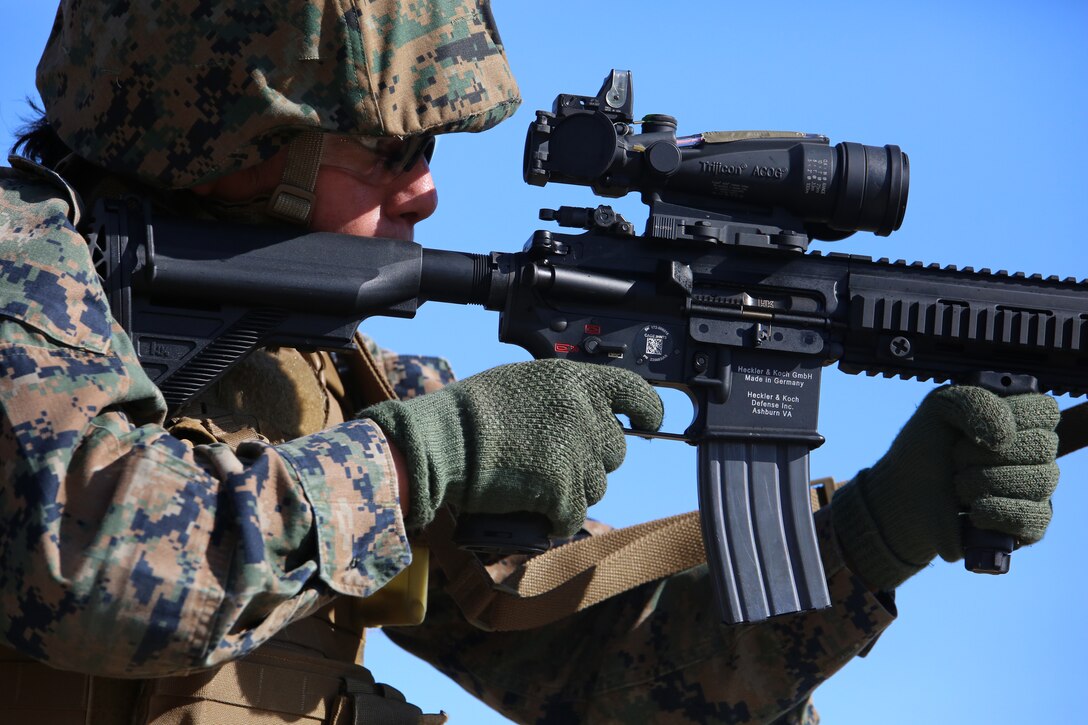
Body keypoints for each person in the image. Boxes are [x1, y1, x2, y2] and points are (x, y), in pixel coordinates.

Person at [0, 1, 1061, 723]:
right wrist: (427, 453)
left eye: (429, 152)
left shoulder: (331, 379)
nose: (425, 192)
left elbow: (609, 675)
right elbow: (86, 567)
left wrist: (876, 534)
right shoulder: (24, 263)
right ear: (233, 136)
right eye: (391, 150)